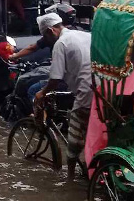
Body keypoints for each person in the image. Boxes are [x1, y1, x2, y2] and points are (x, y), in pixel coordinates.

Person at [33, 12, 92, 179]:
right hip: (105, 88)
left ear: (52, 31)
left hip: (85, 93)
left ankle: (70, 179)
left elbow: (55, 79)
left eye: (46, 36)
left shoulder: (61, 43)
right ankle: (89, 168)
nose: (46, 41)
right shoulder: (84, 35)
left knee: (75, 136)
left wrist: (42, 93)